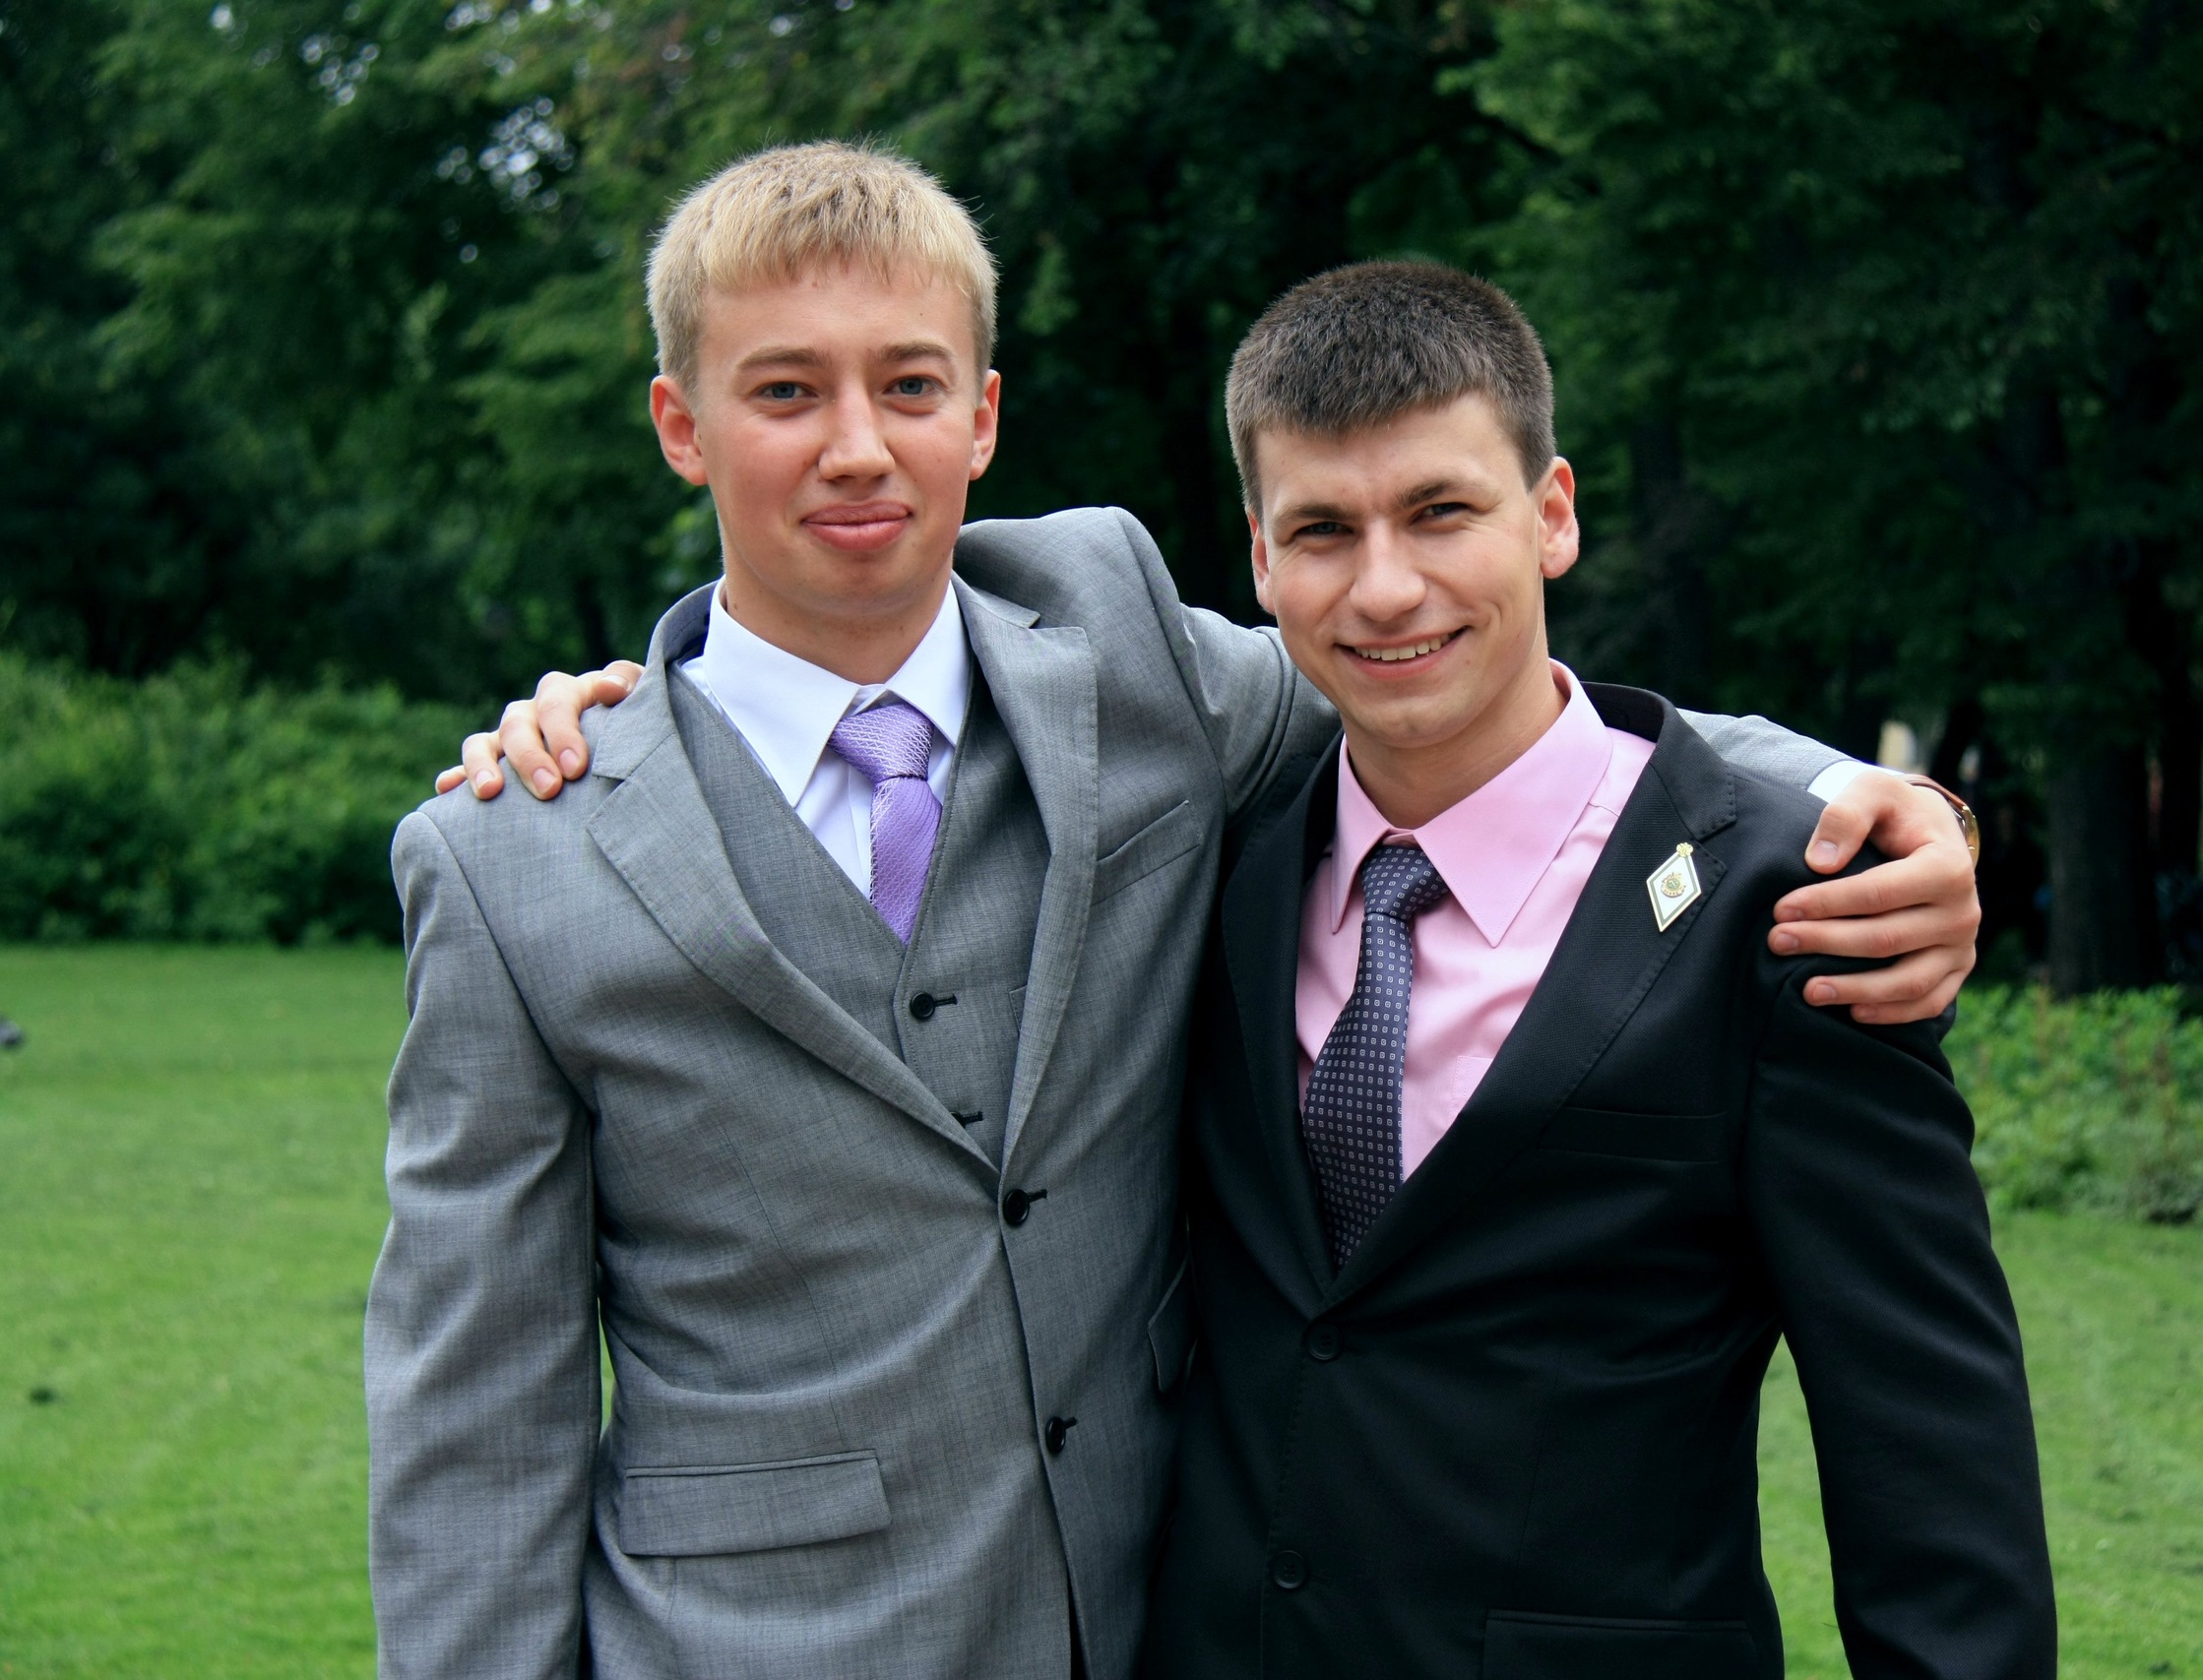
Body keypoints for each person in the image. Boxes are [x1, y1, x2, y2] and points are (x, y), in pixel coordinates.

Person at [377, 142, 1982, 1679]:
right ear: (681, 424)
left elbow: (1472, 691)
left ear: (984, 416)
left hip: (1166, 1626)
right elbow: (476, 1424)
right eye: (785, 391)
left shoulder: (1127, 660)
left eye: (911, 385)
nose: (857, 446)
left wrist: (1875, 799)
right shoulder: (519, 855)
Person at [1140, 264, 2051, 1678]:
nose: (1386, 586)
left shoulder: (1783, 910)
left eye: (1441, 511)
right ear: (1261, 561)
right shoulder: (1215, 869)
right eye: (1323, 530)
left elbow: (1929, 1444)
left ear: (1552, 514)